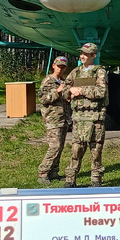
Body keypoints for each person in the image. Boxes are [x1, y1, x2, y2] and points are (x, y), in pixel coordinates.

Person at [63, 42, 107, 186]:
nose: (82, 56)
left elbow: (101, 92)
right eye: (81, 53)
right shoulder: (75, 72)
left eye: (86, 54)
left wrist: (81, 91)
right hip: (79, 118)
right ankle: (70, 180)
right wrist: (70, 91)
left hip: (95, 118)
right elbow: (64, 90)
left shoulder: (99, 72)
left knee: (96, 151)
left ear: (93, 56)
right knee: (76, 150)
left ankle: (96, 180)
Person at [37, 56, 72, 184]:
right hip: (52, 119)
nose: (60, 69)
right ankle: (43, 172)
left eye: (63, 67)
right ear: (53, 66)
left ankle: (54, 172)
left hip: (64, 118)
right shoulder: (48, 81)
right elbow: (43, 99)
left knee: (60, 147)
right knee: (54, 146)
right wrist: (57, 91)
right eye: (58, 66)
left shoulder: (63, 81)